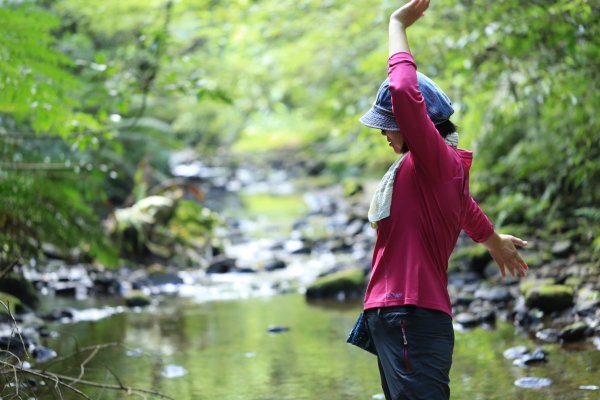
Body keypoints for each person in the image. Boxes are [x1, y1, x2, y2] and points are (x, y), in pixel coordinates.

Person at [357, 1, 529, 399]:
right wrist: (492, 240)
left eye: (389, 125)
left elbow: (402, 88)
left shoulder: (434, 162)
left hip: (408, 314)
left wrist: (397, 24)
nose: (384, 133)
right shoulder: (429, 174)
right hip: (401, 315)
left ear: (419, 126)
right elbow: (464, 207)